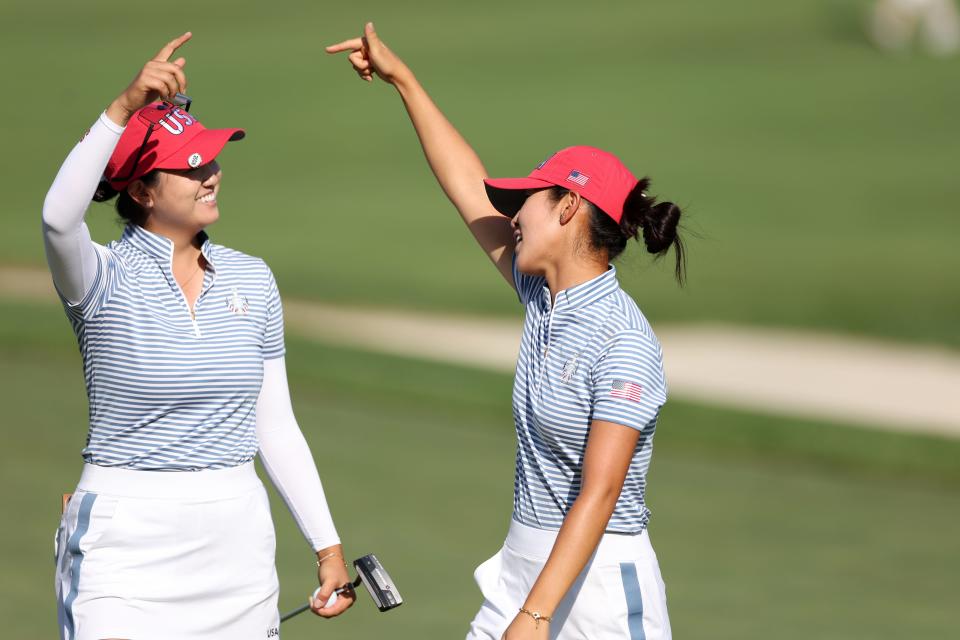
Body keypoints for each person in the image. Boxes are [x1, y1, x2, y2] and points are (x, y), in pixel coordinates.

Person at [328, 23, 684, 640]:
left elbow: (599, 496)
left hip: (598, 587)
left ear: (569, 207)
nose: (512, 215)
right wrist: (403, 81)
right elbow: (467, 186)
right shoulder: (544, 298)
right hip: (524, 571)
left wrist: (535, 618)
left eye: (528, 201)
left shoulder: (622, 341)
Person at [43, 33, 355, 639]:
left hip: (236, 547)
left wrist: (327, 548)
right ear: (140, 191)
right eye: (187, 167)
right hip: (124, 543)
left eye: (210, 159)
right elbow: (58, 217)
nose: (209, 175)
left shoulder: (252, 277)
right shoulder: (99, 277)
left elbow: (274, 425)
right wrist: (121, 109)